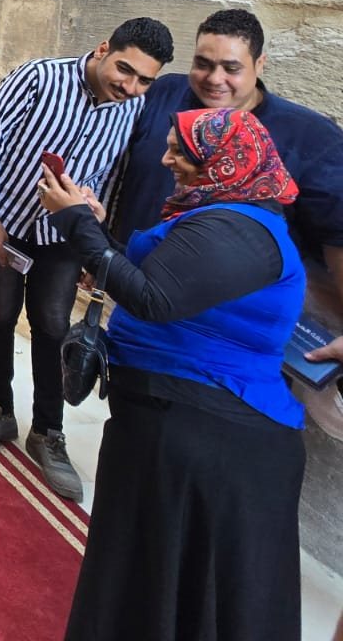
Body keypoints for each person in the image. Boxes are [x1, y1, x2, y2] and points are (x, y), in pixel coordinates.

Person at [38, 109, 305, 641]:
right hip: (176, 423)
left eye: (180, 152)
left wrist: (77, 224)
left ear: (224, 161)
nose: (166, 160)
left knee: (170, 587)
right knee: (143, 578)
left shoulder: (243, 229)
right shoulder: (223, 214)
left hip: (211, 436)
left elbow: (155, 299)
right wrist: (96, 232)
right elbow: (163, 280)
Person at [0, 16, 174, 501]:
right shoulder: (39, 77)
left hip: (64, 236)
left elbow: (111, 175)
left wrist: (97, 241)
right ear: (102, 49)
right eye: (125, 69)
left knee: (53, 327)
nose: (130, 86)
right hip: (6, 223)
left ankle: (48, 433)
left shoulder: (131, 107)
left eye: (145, 80)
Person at [109, 10, 343, 378]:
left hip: (227, 343)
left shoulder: (310, 137)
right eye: (203, 64)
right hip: (139, 305)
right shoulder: (165, 94)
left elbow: (338, 237)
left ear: (259, 64)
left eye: (231, 68)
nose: (214, 79)